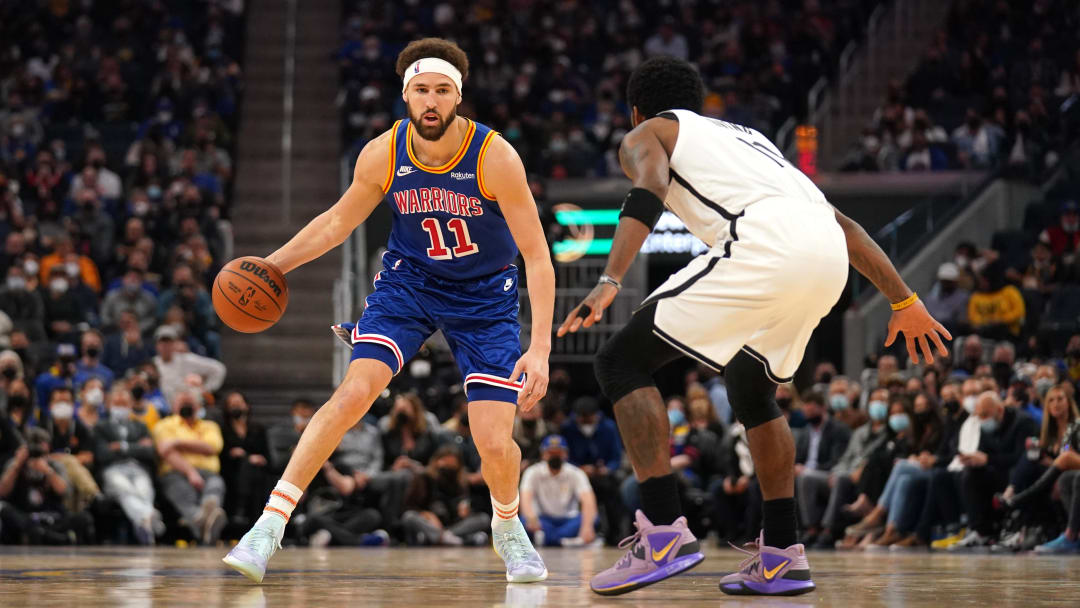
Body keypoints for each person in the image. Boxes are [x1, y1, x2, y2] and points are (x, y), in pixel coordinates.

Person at [557, 56, 951, 597]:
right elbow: (847, 226)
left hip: (765, 244)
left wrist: (609, 279)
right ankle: (783, 553)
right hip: (827, 259)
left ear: (634, 110)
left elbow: (647, 188)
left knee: (620, 361)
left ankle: (664, 531)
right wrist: (903, 299)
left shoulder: (647, 132)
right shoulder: (754, 142)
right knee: (751, 387)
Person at [225, 37, 555, 584]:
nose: (432, 101)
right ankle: (269, 525)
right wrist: (273, 266)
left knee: (494, 440)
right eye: (422, 89)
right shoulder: (383, 151)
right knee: (354, 391)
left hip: (485, 295)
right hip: (410, 282)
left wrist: (539, 349)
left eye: (443, 91)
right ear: (406, 94)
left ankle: (506, 525)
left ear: (458, 97)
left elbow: (539, 258)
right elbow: (336, 223)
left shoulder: (495, 156)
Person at [152, 389, 227, 545]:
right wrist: (191, 472)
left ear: (198, 406)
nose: (187, 406)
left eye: (190, 403)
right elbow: (166, 452)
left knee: (216, 485)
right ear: (174, 406)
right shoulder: (163, 425)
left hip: (209, 473)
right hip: (175, 472)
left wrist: (178, 442)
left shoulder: (209, 425)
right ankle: (207, 519)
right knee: (183, 492)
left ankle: (206, 514)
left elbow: (213, 447)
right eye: (183, 403)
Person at [94, 385, 162, 544]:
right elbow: (102, 454)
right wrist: (137, 446)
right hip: (113, 469)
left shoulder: (141, 426)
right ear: (108, 404)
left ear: (131, 405)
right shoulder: (101, 427)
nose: (120, 407)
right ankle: (149, 516)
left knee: (143, 489)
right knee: (124, 488)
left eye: (124, 404)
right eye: (117, 403)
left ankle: (143, 523)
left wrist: (121, 447)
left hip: (137, 468)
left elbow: (149, 451)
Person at [520, 435, 598, 547]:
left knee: (593, 518)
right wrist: (531, 517)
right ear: (543, 454)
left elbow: (588, 501)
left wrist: (587, 527)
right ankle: (567, 542)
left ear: (565, 454)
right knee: (522, 521)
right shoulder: (532, 472)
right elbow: (525, 499)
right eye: (551, 453)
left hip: (568, 520)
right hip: (543, 520)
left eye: (558, 453)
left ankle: (548, 540)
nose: (555, 456)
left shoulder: (576, 473)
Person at [152, 325, 226, 407]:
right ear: (156, 345)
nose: (165, 346)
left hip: (189, 406)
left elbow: (218, 369)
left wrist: (205, 390)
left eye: (169, 342)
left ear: (175, 343)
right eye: (162, 342)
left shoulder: (185, 359)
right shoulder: (153, 364)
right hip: (163, 409)